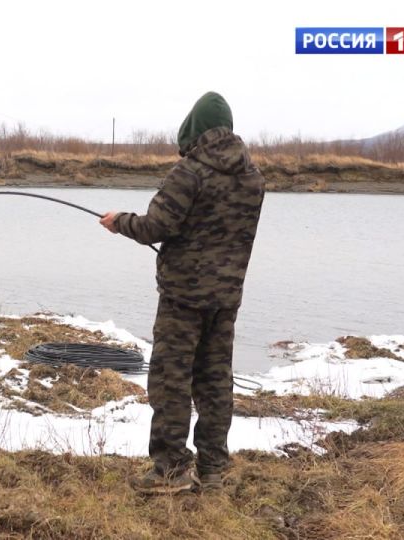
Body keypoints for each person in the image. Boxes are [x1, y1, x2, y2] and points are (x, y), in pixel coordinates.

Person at [99, 92, 265, 495]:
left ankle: (170, 471)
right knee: (214, 381)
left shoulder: (189, 173)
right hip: (225, 299)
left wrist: (119, 221)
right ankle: (214, 469)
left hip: (182, 299)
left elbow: (156, 227)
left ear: (194, 129)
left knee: (171, 381)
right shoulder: (252, 178)